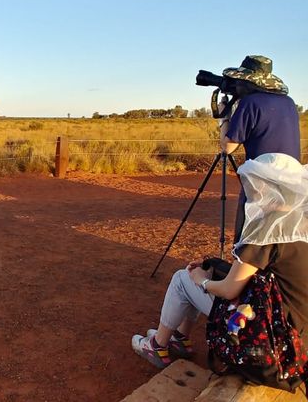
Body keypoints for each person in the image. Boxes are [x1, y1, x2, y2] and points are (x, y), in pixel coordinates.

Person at [131, 153, 308, 370]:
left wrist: (201, 281)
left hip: (271, 335)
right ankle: (179, 338)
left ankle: (157, 345)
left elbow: (229, 290)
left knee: (182, 279)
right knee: (210, 267)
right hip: (296, 327)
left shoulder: (268, 229)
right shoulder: (299, 221)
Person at [219, 55, 300, 240]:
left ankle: (243, 264)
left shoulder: (250, 103)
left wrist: (224, 115)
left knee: (249, 234)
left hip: (261, 181)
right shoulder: (289, 102)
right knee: (280, 232)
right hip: (292, 179)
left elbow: (228, 147)